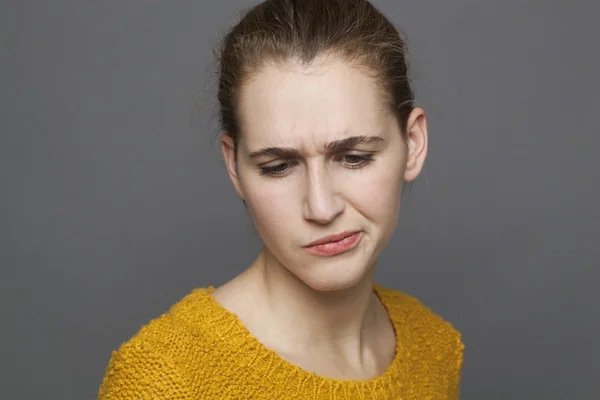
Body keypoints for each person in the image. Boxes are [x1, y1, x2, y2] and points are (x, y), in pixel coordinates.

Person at [98, 0, 464, 398]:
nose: (321, 208)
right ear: (234, 166)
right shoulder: (163, 381)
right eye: (278, 166)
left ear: (413, 143)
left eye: (354, 158)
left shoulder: (432, 347)